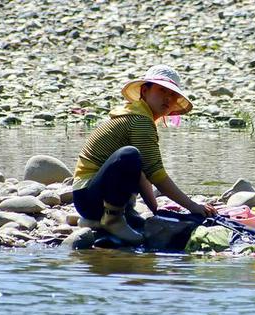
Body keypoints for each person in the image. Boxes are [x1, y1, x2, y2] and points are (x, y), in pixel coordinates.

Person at [72, 65, 217, 245]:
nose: (168, 98)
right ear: (145, 90)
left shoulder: (140, 117)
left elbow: (145, 172)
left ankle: (119, 215)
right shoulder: (139, 120)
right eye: (162, 90)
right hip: (88, 198)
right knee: (129, 155)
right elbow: (157, 174)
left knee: (134, 159)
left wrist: (155, 211)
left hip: (94, 196)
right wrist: (192, 206)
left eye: (173, 95)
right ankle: (112, 219)